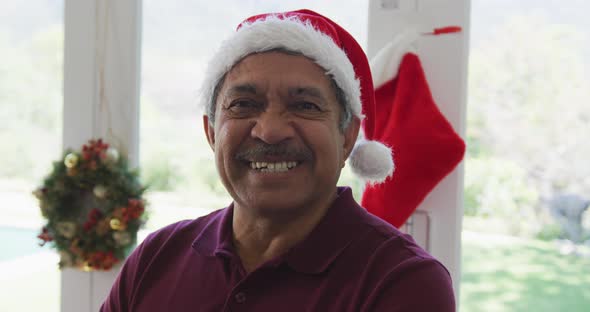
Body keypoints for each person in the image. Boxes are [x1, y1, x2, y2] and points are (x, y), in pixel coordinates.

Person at [101, 9, 455, 311]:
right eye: (243, 104)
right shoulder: (156, 259)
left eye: (305, 105)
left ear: (347, 136)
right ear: (211, 132)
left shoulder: (401, 281)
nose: (270, 131)